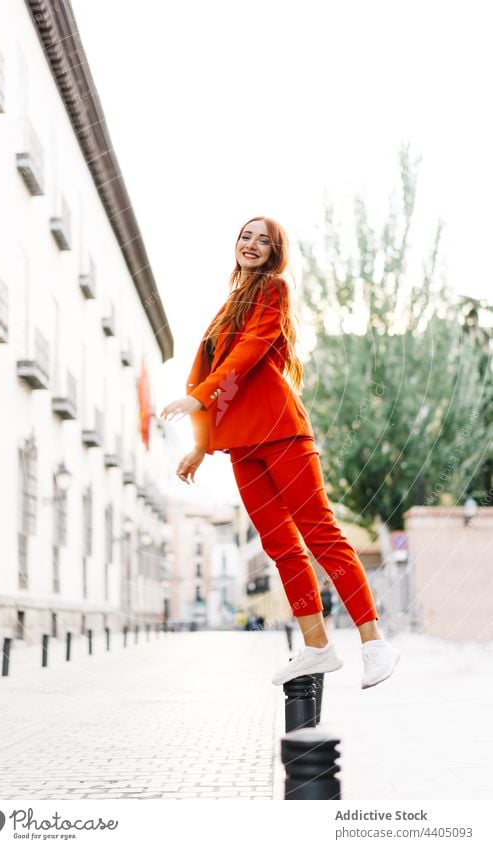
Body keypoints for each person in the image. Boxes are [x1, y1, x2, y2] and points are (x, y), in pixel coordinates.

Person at [160, 216, 400, 689]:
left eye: (263, 241)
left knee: (320, 534)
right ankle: (317, 647)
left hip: (281, 431)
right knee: (279, 547)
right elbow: (221, 376)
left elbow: (248, 354)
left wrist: (200, 395)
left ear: (275, 253)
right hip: (242, 444)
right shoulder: (227, 305)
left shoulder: (273, 290)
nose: (251, 245)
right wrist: (201, 446)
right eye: (245, 237)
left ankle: (374, 644)